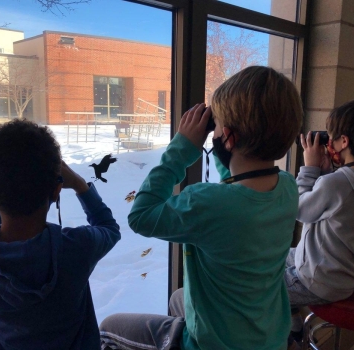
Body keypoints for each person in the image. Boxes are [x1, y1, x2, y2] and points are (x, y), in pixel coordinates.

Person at [99, 66, 303, 350]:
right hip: (268, 337)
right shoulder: (287, 187)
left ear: (229, 138)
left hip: (213, 345)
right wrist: (224, 146)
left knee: (109, 328)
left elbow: (141, 216)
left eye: (217, 127)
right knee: (178, 299)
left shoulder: (205, 202)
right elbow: (237, 189)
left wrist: (182, 147)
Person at [0, 119, 121, 350]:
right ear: (56, 189)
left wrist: (1, 186)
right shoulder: (76, 248)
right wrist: (81, 185)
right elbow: (109, 228)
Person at [286, 98, 354, 343]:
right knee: (278, 255)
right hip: (349, 271)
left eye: (331, 137)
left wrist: (310, 169)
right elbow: (339, 205)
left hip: (322, 280)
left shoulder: (336, 183)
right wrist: (324, 173)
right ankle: (293, 319)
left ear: (344, 142)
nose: (328, 143)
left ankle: (290, 333)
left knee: (260, 286)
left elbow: (300, 209)